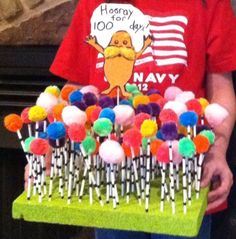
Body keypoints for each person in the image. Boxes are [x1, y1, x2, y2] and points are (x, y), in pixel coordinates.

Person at [48, 0, 236, 238]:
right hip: (110, 178)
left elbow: (221, 88)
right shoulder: (94, 3)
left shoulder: (211, 5)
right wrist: (50, 147)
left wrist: (218, 151)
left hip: (183, 178)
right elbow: (75, 88)